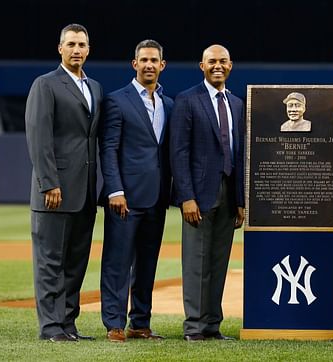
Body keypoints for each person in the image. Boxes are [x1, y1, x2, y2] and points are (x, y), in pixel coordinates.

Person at [24, 23, 103, 342]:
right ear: (60, 48)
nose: (76, 49)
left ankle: (68, 324)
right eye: (70, 44)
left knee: (75, 264)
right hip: (54, 192)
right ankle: (50, 327)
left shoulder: (95, 87)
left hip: (84, 191)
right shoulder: (45, 84)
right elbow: (39, 137)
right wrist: (48, 183)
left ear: (88, 49)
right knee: (50, 264)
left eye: (81, 44)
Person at [98, 39, 174, 343]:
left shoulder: (169, 104)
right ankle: (114, 323)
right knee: (117, 262)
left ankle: (140, 323)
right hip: (125, 198)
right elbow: (109, 148)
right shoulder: (117, 101)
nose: (149, 65)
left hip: (156, 198)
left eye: (154, 60)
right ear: (134, 64)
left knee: (147, 264)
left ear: (162, 65)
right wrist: (114, 189)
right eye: (143, 60)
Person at [169, 44, 245, 342]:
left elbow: (239, 156)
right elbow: (179, 152)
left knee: (218, 261)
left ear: (230, 65)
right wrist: (186, 196)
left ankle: (212, 325)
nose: (217, 66)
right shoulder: (187, 100)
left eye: (222, 61)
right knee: (197, 263)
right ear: (201, 66)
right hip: (199, 196)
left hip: (228, 194)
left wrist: (240, 200)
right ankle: (194, 327)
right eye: (211, 61)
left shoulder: (236, 104)